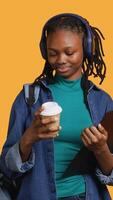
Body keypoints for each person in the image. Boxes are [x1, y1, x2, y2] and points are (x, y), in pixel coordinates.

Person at [0, 13, 113, 200]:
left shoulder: (103, 102)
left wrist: (101, 148)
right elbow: (7, 168)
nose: (60, 59)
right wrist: (29, 137)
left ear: (85, 48)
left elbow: (110, 176)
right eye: (53, 53)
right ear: (45, 51)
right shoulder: (29, 98)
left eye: (69, 52)